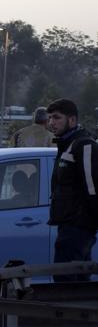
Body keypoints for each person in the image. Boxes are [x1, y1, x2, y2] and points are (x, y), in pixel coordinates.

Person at [46, 98, 98, 282]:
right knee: (76, 279)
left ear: (72, 120)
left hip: (78, 227)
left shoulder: (84, 145)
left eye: (57, 117)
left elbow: (92, 189)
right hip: (68, 224)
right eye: (50, 117)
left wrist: (88, 224)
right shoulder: (66, 144)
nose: (51, 122)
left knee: (65, 279)